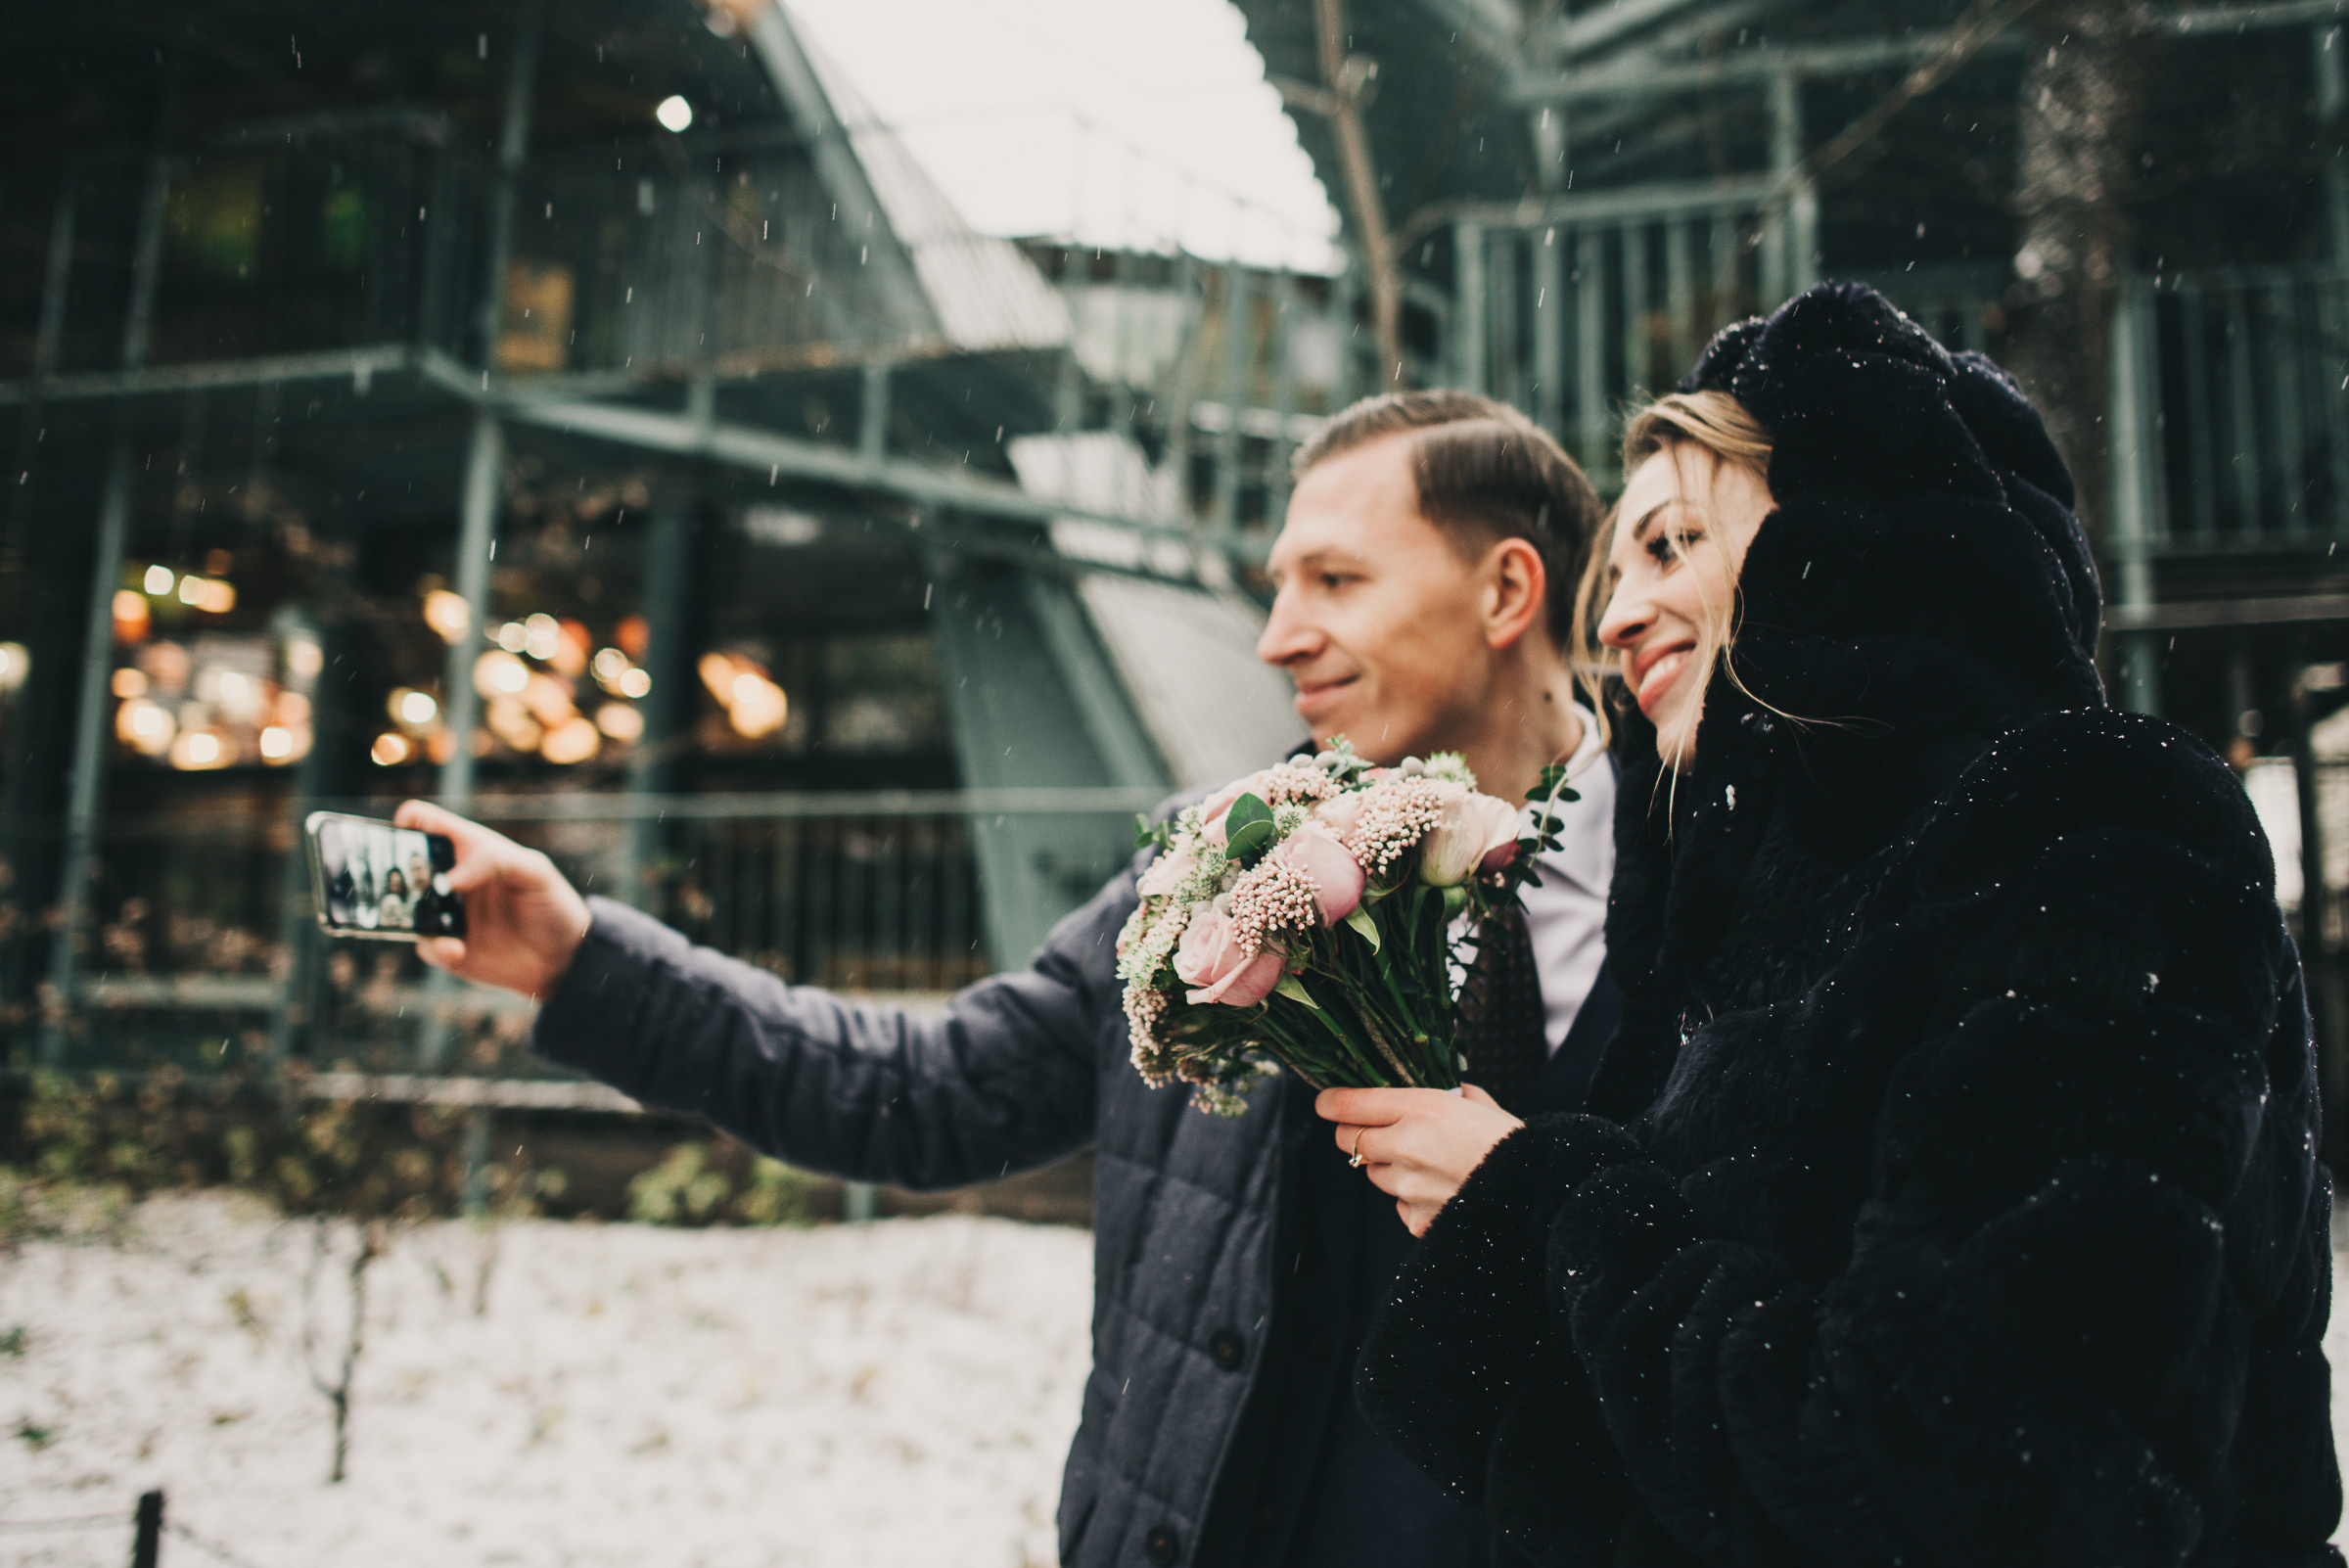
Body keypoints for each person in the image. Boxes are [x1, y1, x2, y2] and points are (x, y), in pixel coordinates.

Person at [395, 390, 1619, 1568]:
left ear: (1507, 589)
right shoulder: (1205, 874)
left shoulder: (1720, 894)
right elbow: (925, 1091)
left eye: (1336, 581)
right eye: (1279, 585)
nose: (1276, 636)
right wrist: (584, 963)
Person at [1334, 283, 2342, 1564]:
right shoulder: (1743, 950)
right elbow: (1685, 1494)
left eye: (1672, 544)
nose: (1617, 615)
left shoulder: (2090, 827)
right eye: (1617, 567)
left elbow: (1959, 1476)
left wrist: (1538, 1207)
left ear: (1841, 542)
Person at [378, 867, 414, 931]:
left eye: (398, 883)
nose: (395, 885)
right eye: (393, 882)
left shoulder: (405, 902)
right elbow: (383, 923)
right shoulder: (389, 900)